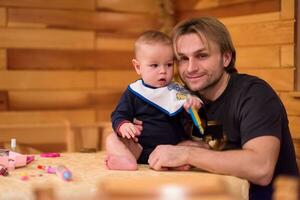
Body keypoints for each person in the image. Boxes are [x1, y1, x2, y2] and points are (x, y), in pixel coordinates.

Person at [147, 17, 299, 200]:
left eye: (202, 56)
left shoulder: (255, 94)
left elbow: (261, 168)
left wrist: (189, 154)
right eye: (183, 59)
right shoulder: (188, 99)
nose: (191, 68)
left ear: (226, 58)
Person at [105, 30, 202, 171]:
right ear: (138, 67)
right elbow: (119, 114)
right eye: (154, 65)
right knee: (112, 139)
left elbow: (190, 116)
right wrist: (123, 125)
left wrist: (192, 107)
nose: (163, 71)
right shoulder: (134, 91)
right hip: (139, 147)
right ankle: (126, 160)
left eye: (169, 65)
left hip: (171, 150)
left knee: (193, 146)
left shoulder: (176, 91)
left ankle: (175, 163)